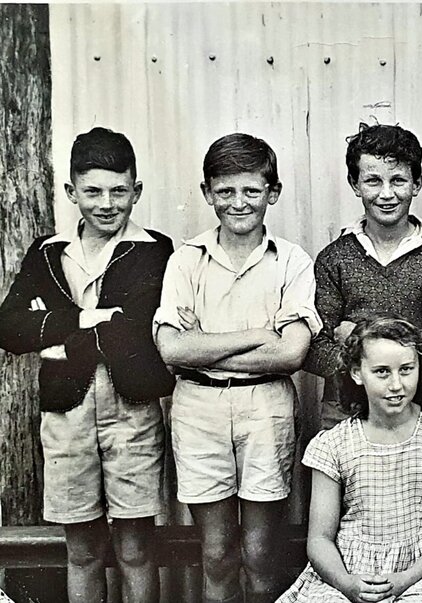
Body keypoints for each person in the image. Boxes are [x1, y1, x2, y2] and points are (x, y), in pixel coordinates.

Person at [0, 127, 174, 603]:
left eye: (119, 191)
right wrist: (89, 317)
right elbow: (10, 328)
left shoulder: (157, 251)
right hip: (66, 414)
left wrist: (54, 331)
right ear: (71, 192)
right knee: (81, 549)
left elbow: (139, 330)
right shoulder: (47, 252)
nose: (106, 203)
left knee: (136, 547)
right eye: (92, 191)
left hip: (132, 410)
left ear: (136, 190)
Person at [153, 133, 322, 603]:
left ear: (273, 192)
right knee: (217, 554)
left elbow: (291, 355)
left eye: (251, 190)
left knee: (261, 553)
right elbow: (171, 350)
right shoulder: (187, 259)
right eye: (225, 191)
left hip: (266, 407)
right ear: (207, 193)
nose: (238, 202)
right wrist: (256, 334)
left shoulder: (291, 260)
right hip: (198, 407)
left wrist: (200, 343)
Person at [279, 316, 422, 602]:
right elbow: (319, 539)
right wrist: (346, 583)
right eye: (381, 372)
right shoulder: (333, 444)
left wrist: (406, 579)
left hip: (421, 572)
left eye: (406, 370)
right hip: (347, 572)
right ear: (357, 373)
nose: (396, 384)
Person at [305, 124, 422, 428]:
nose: (387, 194)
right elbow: (315, 347)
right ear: (354, 183)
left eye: (399, 180)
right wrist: (397, 349)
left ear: (417, 183)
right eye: (373, 181)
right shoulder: (334, 257)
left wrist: (357, 337)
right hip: (344, 410)